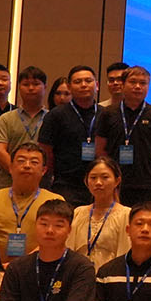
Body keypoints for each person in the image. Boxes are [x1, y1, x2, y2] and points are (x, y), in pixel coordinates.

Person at [92, 66, 151, 208]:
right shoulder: (108, 113)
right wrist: (111, 170)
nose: (138, 87)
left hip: (146, 183)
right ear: (123, 85)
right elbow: (99, 149)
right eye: (133, 82)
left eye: (143, 83)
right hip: (115, 183)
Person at [0, 143, 64, 260]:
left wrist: (23, 265)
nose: (27, 166)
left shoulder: (54, 201)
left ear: (43, 170)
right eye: (21, 161)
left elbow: (58, 238)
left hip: (38, 265)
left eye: (34, 162)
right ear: (10, 167)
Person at [36, 65, 101, 207]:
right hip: (66, 184)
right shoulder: (56, 115)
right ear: (70, 88)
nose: (83, 85)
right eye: (78, 82)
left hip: (99, 183)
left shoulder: (106, 114)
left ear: (97, 85)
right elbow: (46, 151)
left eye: (88, 81)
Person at [66, 158, 132, 269]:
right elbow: (69, 250)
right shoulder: (78, 212)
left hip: (110, 275)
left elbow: (125, 253)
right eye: (93, 178)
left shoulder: (126, 214)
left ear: (117, 181)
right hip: (79, 274)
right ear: (86, 181)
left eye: (105, 177)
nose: (98, 183)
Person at [0, 66, 49, 189]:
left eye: (36, 84)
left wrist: (35, 173)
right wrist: (17, 171)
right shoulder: (6, 118)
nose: (31, 88)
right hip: (8, 183)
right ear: (18, 87)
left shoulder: (52, 118)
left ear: (45, 87)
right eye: (26, 84)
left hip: (42, 184)